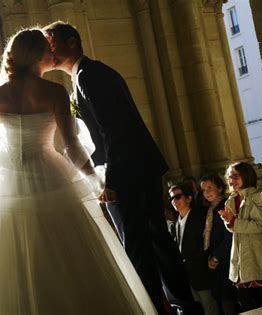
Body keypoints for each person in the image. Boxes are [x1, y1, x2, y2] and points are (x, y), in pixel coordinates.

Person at [0, 27, 156, 314]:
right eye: (46, 49)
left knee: (15, 258)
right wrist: (95, 180)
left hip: (13, 184)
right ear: (38, 55)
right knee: (71, 254)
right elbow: (72, 146)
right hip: (51, 174)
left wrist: (8, 161)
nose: (52, 53)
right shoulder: (54, 92)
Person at [43, 21, 196, 313]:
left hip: (126, 172)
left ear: (71, 41)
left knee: (139, 248)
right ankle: (183, 306)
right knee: (156, 242)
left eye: (52, 44)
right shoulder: (86, 76)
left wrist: (108, 180)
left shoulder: (90, 76)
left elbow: (114, 130)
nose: (48, 51)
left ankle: (156, 308)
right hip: (137, 167)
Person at [219, 162, 262, 312]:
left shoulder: (256, 197)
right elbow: (235, 230)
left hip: (258, 260)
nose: (232, 180)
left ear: (247, 175)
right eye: (230, 176)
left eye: (236, 176)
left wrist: (233, 221)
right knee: (247, 306)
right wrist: (228, 222)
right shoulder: (230, 200)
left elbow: (260, 226)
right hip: (240, 265)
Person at [169, 184, 218, 314]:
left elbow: (210, 242)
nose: (174, 201)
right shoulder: (175, 224)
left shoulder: (201, 216)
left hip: (203, 272)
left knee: (210, 309)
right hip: (187, 277)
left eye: (178, 197)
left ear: (189, 198)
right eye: (172, 199)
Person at [200, 174, 238, 314]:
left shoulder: (225, 205)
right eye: (204, 190)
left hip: (227, 261)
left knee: (229, 302)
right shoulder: (210, 209)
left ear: (220, 188)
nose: (206, 192)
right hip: (218, 264)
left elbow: (229, 236)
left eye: (210, 188)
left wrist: (216, 257)